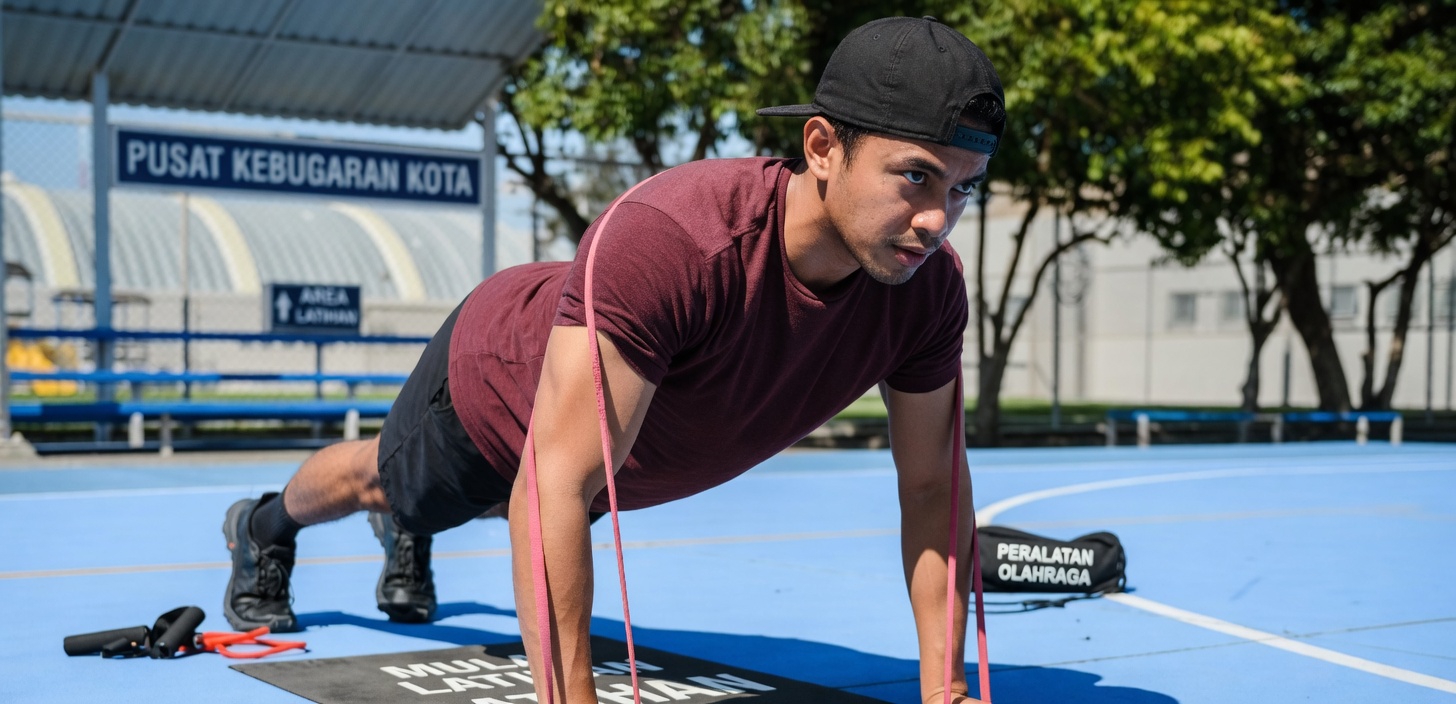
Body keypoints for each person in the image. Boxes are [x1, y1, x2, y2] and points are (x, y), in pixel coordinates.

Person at [221, 15, 1004, 704]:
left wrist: (948, 691)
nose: (938, 219)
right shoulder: (677, 241)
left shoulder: (926, 292)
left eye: (965, 189)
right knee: (388, 486)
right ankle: (264, 526)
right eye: (915, 176)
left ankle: (408, 533)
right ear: (823, 146)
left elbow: (932, 484)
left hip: (598, 451)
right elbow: (555, 483)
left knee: (509, 506)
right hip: (496, 383)